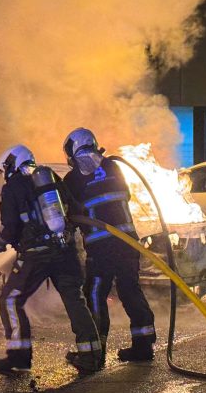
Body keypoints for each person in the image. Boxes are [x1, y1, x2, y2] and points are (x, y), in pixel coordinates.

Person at [0, 145, 104, 373]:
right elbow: (76, 209)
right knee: (75, 300)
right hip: (65, 251)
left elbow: (9, 228)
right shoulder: (50, 177)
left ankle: (19, 357)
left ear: (12, 164)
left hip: (36, 255)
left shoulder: (13, 188)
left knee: (10, 300)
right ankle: (91, 356)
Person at [62, 128, 156, 362]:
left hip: (101, 247)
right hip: (127, 243)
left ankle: (95, 350)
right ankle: (143, 347)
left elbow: (69, 214)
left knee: (94, 293)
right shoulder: (113, 166)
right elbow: (126, 197)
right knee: (130, 290)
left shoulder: (72, 179)